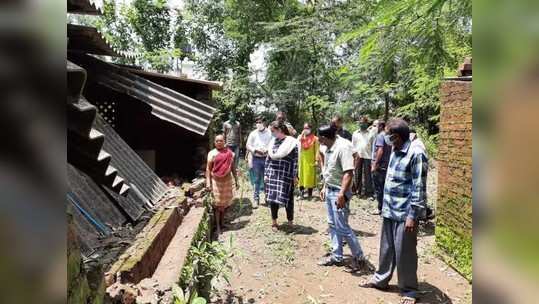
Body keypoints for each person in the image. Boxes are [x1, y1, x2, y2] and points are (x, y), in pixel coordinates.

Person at [361, 118, 428, 304]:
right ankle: (381, 279)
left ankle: (409, 290)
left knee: (404, 251)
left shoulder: (416, 153)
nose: (386, 139)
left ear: (397, 136)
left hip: (405, 213)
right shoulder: (396, 150)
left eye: (389, 135)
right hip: (390, 209)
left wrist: (413, 216)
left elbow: (419, 187)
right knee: (387, 248)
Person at [317, 124, 367, 271]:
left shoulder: (343, 147)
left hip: (340, 192)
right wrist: (325, 186)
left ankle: (359, 258)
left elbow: (348, 173)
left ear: (324, 137)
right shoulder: (327, 147)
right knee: (332, 224)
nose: (318, 140)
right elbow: (330, 170)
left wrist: (341, 194)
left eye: (319, 138)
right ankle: (337, 256)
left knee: (342, 227)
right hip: (330, 189)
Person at [264, 121, 298, 230]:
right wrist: (266, 174)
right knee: (273, 199)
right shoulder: (272, 142)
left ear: (279, 130)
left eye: (273, 131)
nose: (271, 133)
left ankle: (290, 221)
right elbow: (268, 159)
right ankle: (274, 222)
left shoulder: (292, 142)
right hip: (273, 174)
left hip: (286, 175)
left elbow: (296, 160)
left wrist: (295, 175)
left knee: (288, 198)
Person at [206, 135, 239, 236]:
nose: (219, 142)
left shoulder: (230, 153)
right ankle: (218, 226)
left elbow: (233, 168)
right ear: (214, 142)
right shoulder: (212, 154)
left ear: (224, 142)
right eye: (217, 141)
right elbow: (208, 169)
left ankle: (222, 222)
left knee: (224, 204)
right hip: (216, 181)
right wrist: (208, 183)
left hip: (227, 181)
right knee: (217, 205)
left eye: (221, 141)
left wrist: (237, 180)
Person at [245, 116, 272, 208]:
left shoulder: (269, 133)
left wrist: (267, 150)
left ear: (264, 123)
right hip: (256, 158)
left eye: (260, 122)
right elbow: (248, 145)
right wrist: (255, 150)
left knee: (267, 179)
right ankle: (256, 199)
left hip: (267, 158)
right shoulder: (253, 133)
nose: (258, 124)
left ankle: (267, 198)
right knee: (256, 179)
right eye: (257, 122)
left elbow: (272, 143)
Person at [351, 116, 377, 198]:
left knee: (368, 175)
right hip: (358, 156)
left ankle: (368, 192)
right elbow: (353, 145)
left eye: (364, 123)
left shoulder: (371, 133)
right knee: (357, 173)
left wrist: (374, 158)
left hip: (368, 156)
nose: (362, 124)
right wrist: (354, 155)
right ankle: (357, 191)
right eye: (361, 123)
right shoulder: (355, 133)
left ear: (366, 123)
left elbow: (373, 145)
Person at [370, 120, 392, 215]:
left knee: (379, 188)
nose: (374, 128)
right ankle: (385, 207)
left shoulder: (380, 136)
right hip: (386, 166)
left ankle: (380, 208)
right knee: (385, 188)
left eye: (376, 126)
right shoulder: (388, 137)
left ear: (380, 127)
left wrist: (375, 164)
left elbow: (380, 150)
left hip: (379, 167)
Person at [297, 123, 320, 199]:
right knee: (301, 176)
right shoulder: (301, 138)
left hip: (311, 160)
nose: (305, 129)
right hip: (302, 160)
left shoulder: (315, 139)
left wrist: (316, 160)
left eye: (307, 128)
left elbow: (317, 150)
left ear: (310, 129)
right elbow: (297, 146)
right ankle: (301, 194)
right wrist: (301, 135)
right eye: (304, 128)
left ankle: (310, 194)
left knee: (310, 176)